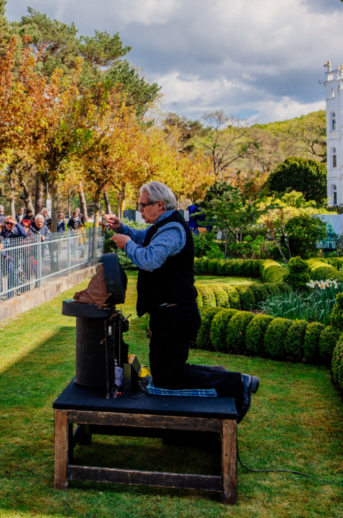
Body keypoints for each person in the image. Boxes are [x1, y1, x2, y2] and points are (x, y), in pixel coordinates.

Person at [106, 181, 258, 422]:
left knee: (170, 376)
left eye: (143, 206)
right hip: (168, 314)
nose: (141, 210)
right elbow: (143, 237)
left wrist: (127, 244)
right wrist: (122, 227)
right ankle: (232, 379)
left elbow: (149, 259)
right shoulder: (162, 226)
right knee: (167, 373)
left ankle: (238, 382)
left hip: (175, 315)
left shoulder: (172, 230)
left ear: (159, 204)